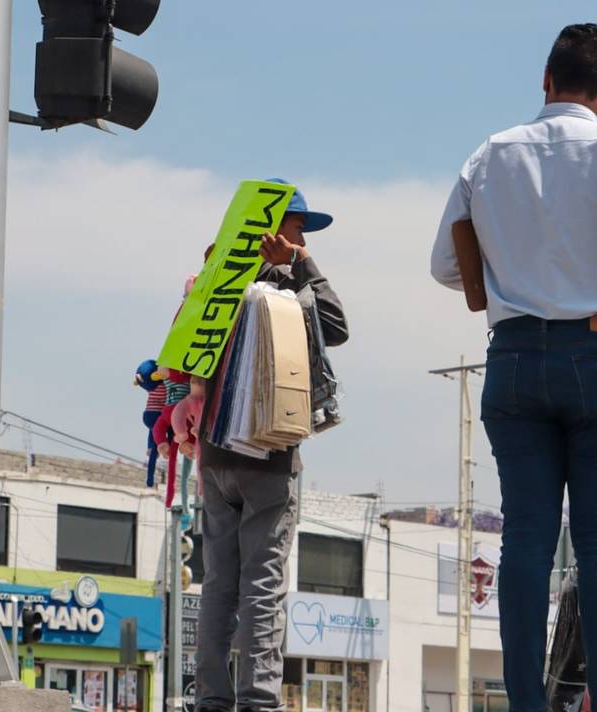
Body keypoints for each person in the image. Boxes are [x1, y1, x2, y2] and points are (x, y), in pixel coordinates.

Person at [431, 24, 597, 712]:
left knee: (525, 540)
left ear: (544, 80)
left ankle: (525, 702)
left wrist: (510, 275)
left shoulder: (489, 155)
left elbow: (444, 265)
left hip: (513, 357)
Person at [195, 180, 348, 712]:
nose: (302, 237)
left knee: (218, 582)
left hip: (213, 455)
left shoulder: (215, 279)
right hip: (268, 453)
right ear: (274, 227)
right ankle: (257, 701)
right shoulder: (287, 285)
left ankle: (211, 698)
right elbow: (337, 327)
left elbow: (189, 353)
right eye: (298, 226)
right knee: (261, 583)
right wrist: (302, 265)